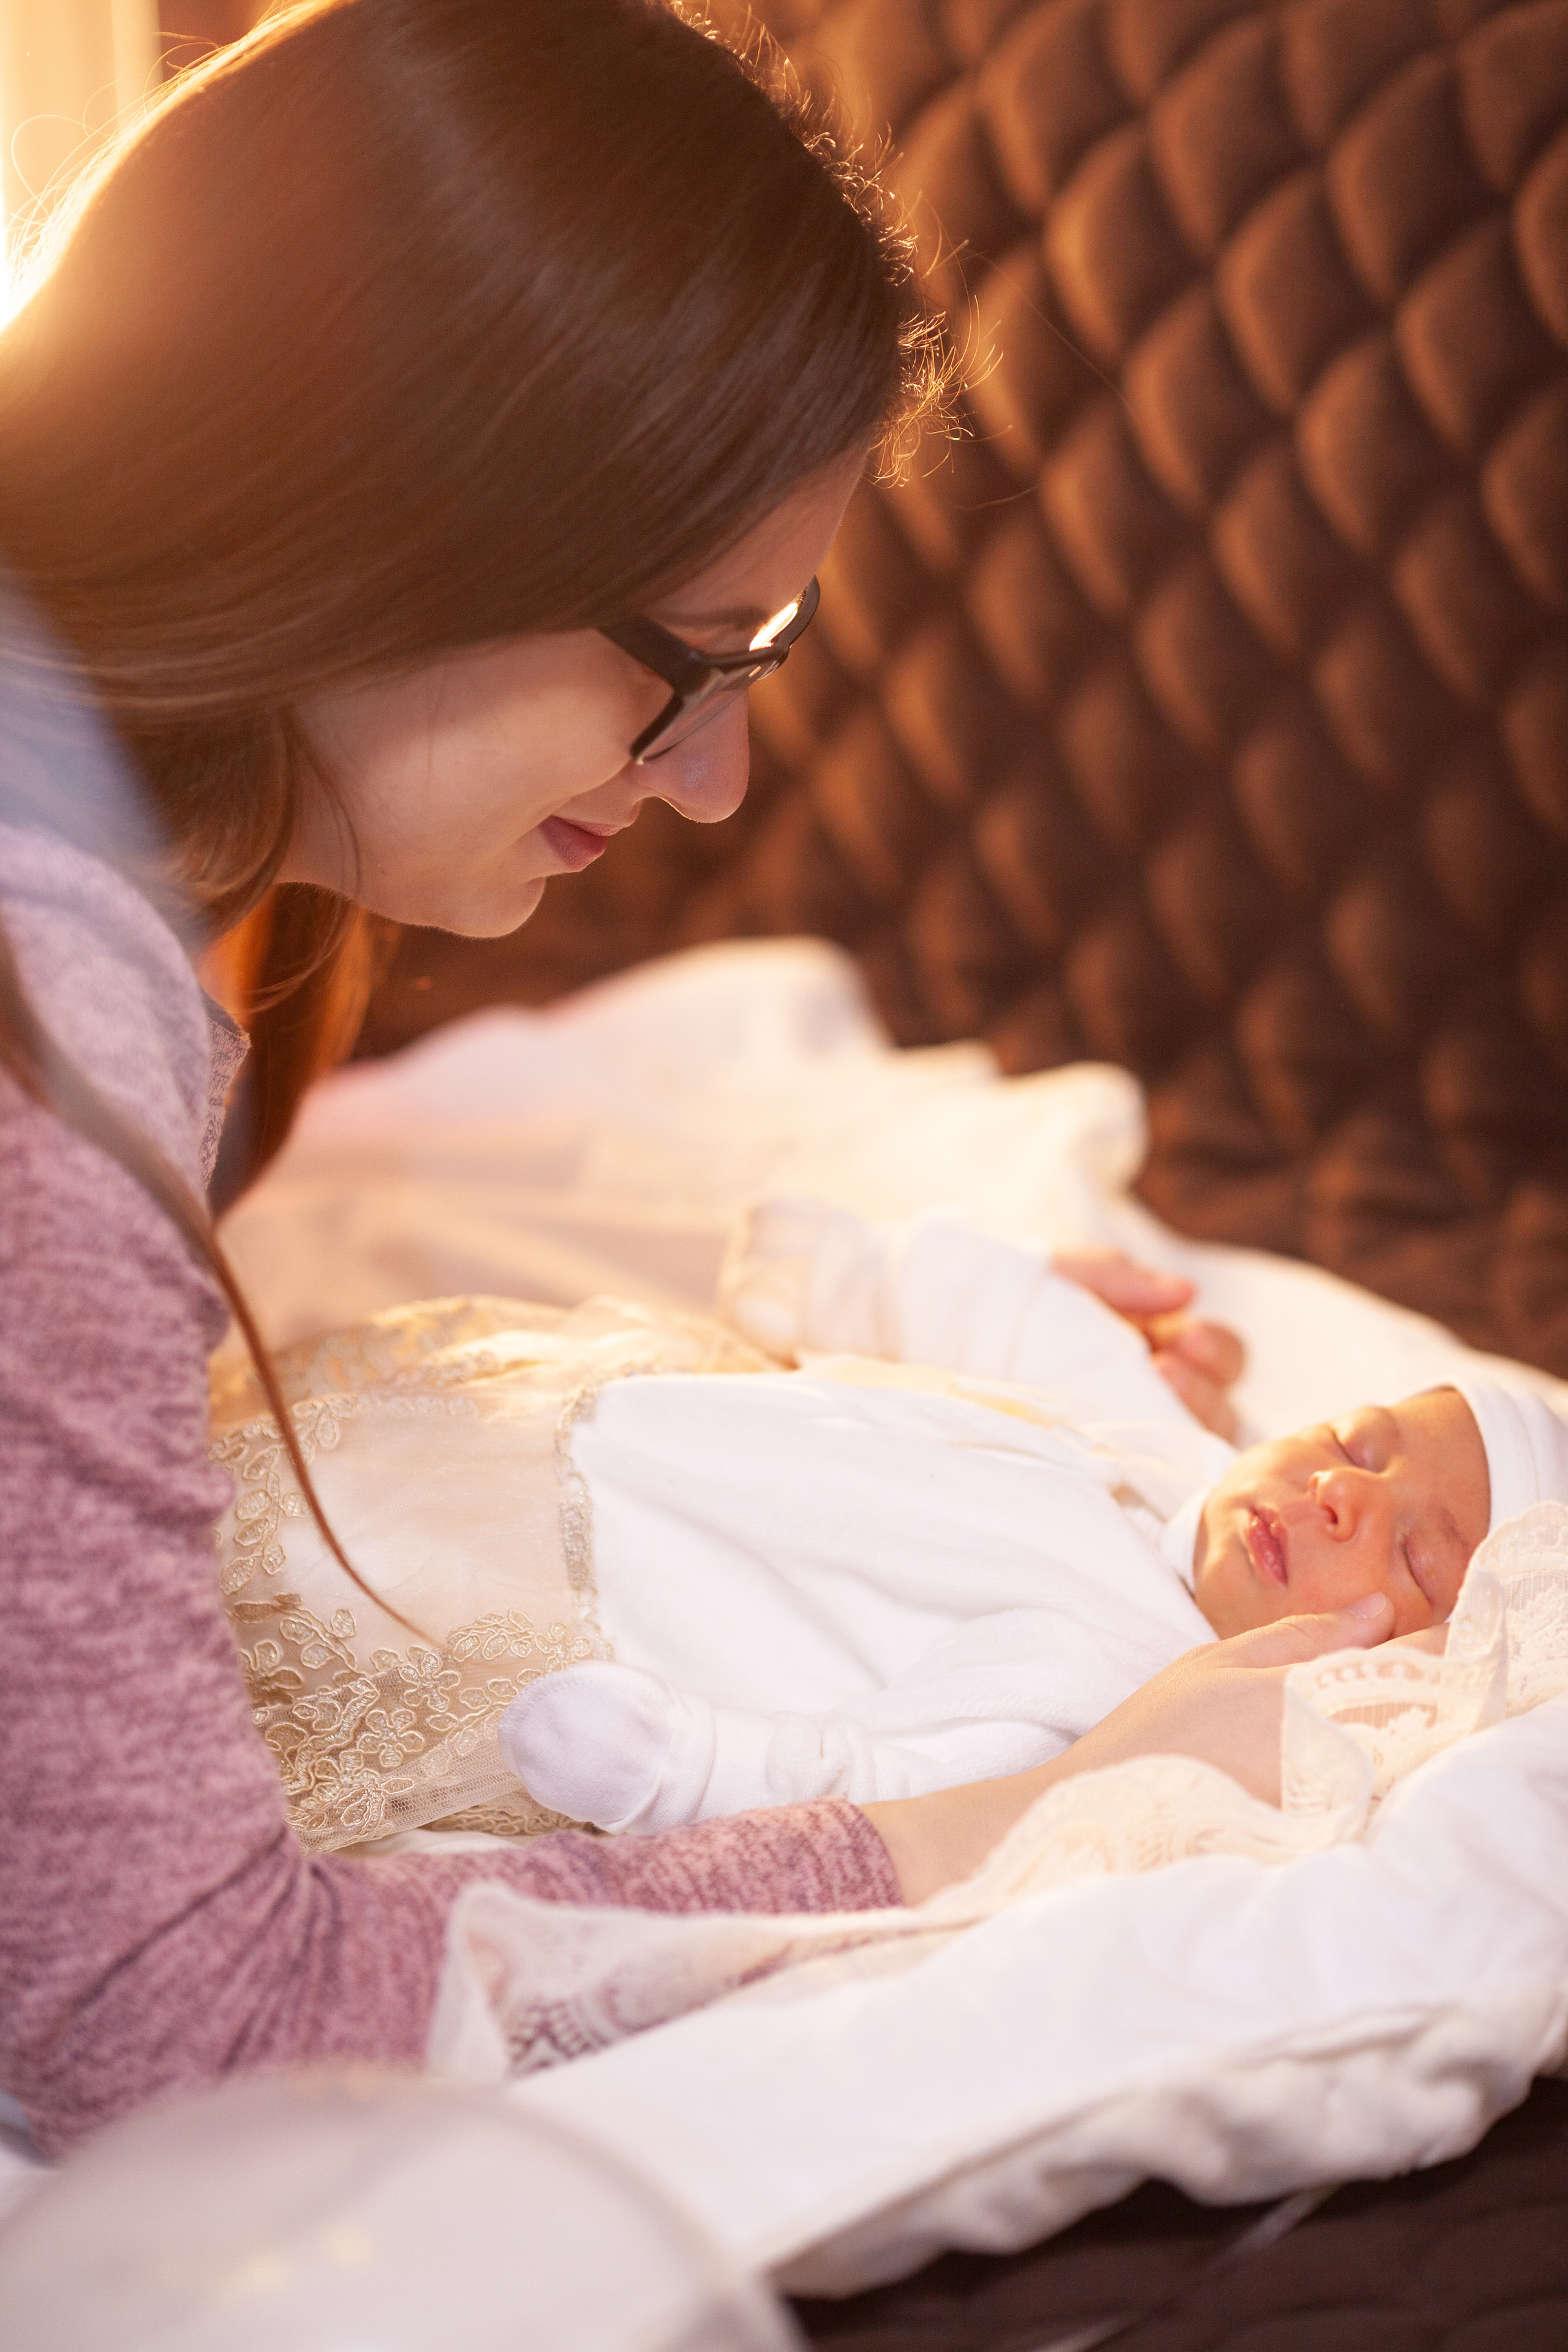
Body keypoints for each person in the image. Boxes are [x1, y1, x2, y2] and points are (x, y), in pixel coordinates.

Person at [0, 0, 1395, 2162]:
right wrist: (1054, 1799)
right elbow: (194, 2033)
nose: (722, 779)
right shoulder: (53, 1024)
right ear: (384, 515)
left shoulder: (119, 880)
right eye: (696, 663)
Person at [219, 1194, 1547, 1840]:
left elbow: (877, 1773)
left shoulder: (1115, 1677)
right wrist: (845, 1277)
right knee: (235, 1457)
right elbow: (1002, 1318)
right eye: (1362, 1442)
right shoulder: (1163, 1437)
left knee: (243, 1617)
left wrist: (691, 1766)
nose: (1340, 1493)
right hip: (563, 1422)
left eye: (1412, 1549)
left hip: (576, 1592)